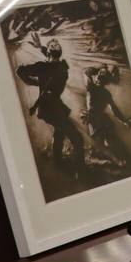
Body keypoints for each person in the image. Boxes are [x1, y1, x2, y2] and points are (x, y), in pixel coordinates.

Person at [17, 39, 84, 171]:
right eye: (52, 46)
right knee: (77, 139)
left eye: (56, 45)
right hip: (50, 109)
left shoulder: (59, 66)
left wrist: (41, 47)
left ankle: (58, 163)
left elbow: (53, 61)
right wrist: (35, 83)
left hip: (55, 108)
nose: (54, 46)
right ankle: (80, 171)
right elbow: (20, 70)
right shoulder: (44, 67)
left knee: (60, 133)